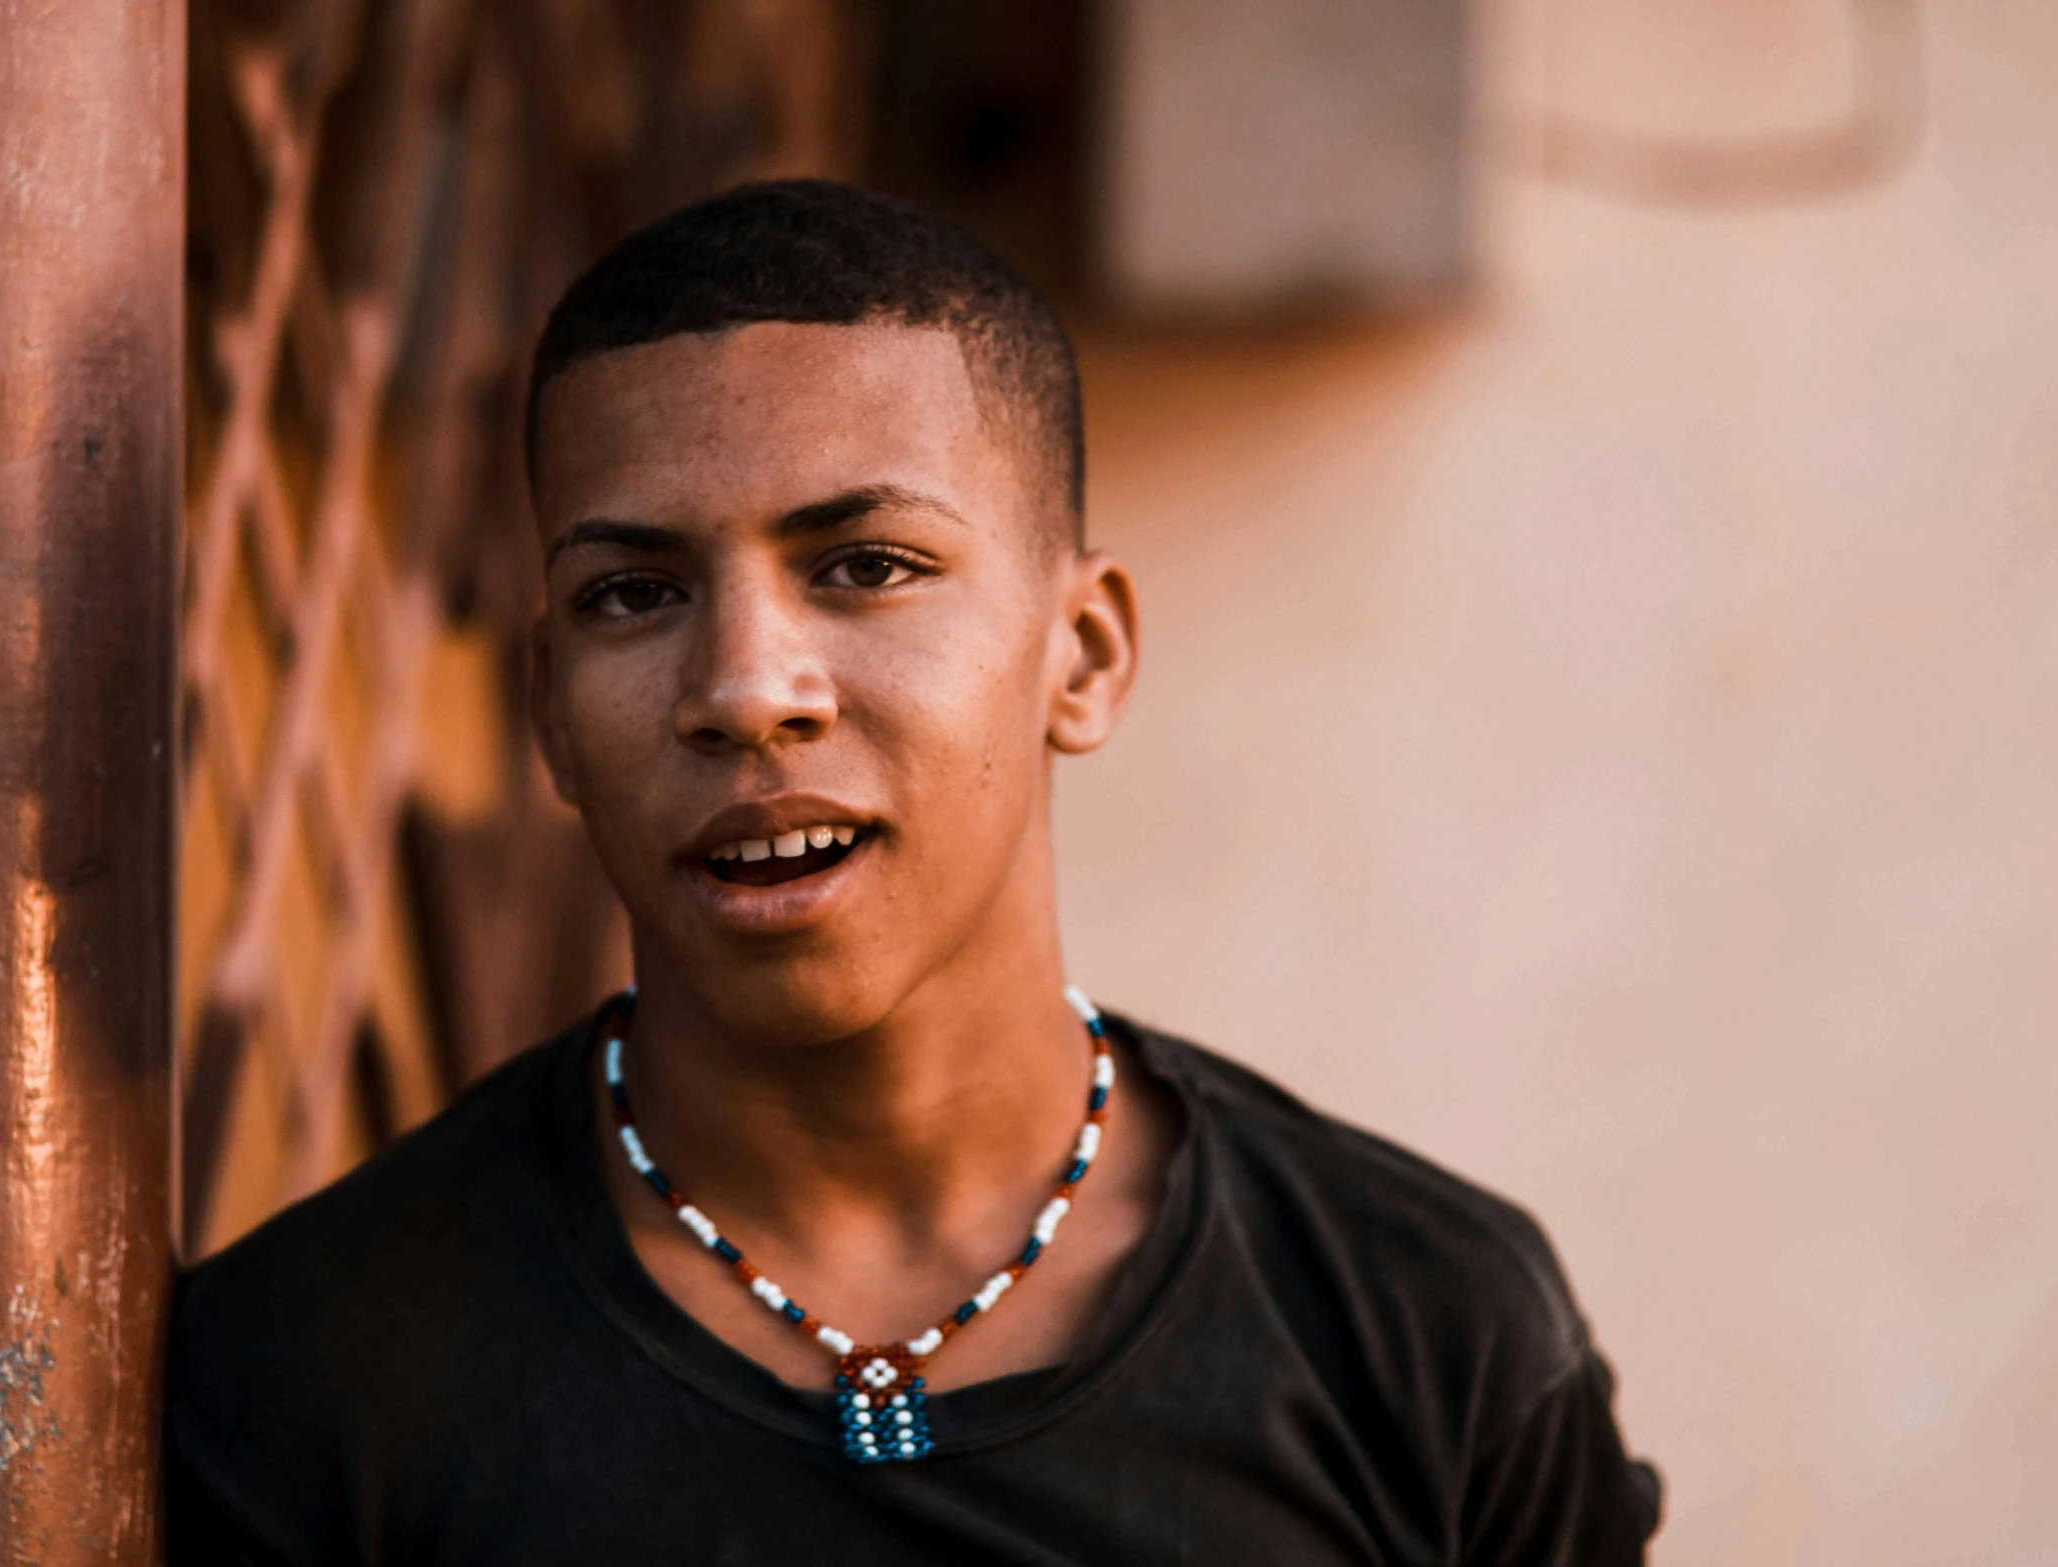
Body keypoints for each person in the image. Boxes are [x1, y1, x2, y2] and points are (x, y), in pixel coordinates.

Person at [168, 179, 1662, 1564]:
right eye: (633, 593)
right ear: (551, 709)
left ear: (1080, 655)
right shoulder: (310, 1381)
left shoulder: (1420, 1332)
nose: (747, 688)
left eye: (865, 565)